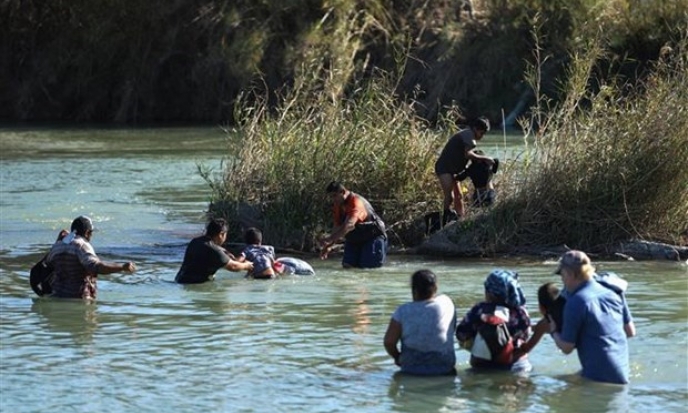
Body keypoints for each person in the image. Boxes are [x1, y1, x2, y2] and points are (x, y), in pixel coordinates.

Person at [549, 250, 636, 384]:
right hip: (622, 374)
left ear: (569, 274)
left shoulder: (576, 301)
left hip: (599, 380)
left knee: (546, 384)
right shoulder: (613, 291)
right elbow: (630, 332)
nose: (562, 279)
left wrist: (553, 331)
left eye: (562, 275)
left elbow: (567, 348)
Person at [455, 269, 532, 373]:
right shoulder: (521, 312)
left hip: (483, 368)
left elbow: (461, 334)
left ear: (490, 293)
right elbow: (526, 336)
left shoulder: (480, 310)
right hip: (518, 366)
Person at [383, 269, 457, 375]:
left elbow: (389, 342)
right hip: (444, 367)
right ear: (435, 288)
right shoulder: (446, 303)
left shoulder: (403, 311)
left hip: (412, 368)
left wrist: (397, 357)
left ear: (414, 290)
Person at [45, 215, 137, 300]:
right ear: (87, 232)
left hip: (56, 295)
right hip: (78, 299)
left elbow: (47, 264)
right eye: (91, 233)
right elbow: (96, 267)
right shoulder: (82, 245)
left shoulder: (57, 245)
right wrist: (122, 267)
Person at [434, 117, 495, 226]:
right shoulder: (469, 137)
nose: (482, 136)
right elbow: (468, 154)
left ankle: (460, 219)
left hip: (453, 171)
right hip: (444, 169)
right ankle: (445, 216)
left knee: (459, 196)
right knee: (450, 196)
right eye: (482, 133)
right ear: (476, 129)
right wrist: (485, 158)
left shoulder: (467, 134)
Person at [318, 181, 387, 269]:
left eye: (334, 196)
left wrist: (330, 238)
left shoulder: (356, 202)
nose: (333, 199)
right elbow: (337, 227)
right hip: (355, 238)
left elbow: (349, 225)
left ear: (342, 192)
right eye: (331, 197)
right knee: (348, 266)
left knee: (368, 269)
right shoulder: (338, 205)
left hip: (372, 237)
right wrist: (329, 246)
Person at [175, 218, 253, 284]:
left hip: (180, 280)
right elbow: (233, 266)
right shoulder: (215, 250)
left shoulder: (195, 241)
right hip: (195, 284)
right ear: (221, 234)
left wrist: (224, 252)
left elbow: (209, 249)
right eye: (225, 235)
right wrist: (247, 265)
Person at [514, 282, 566, 356]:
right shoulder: (566, 313)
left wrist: (518, 343)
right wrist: (527, 328)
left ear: (541, 307)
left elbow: (527, 348)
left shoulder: (544, 324)